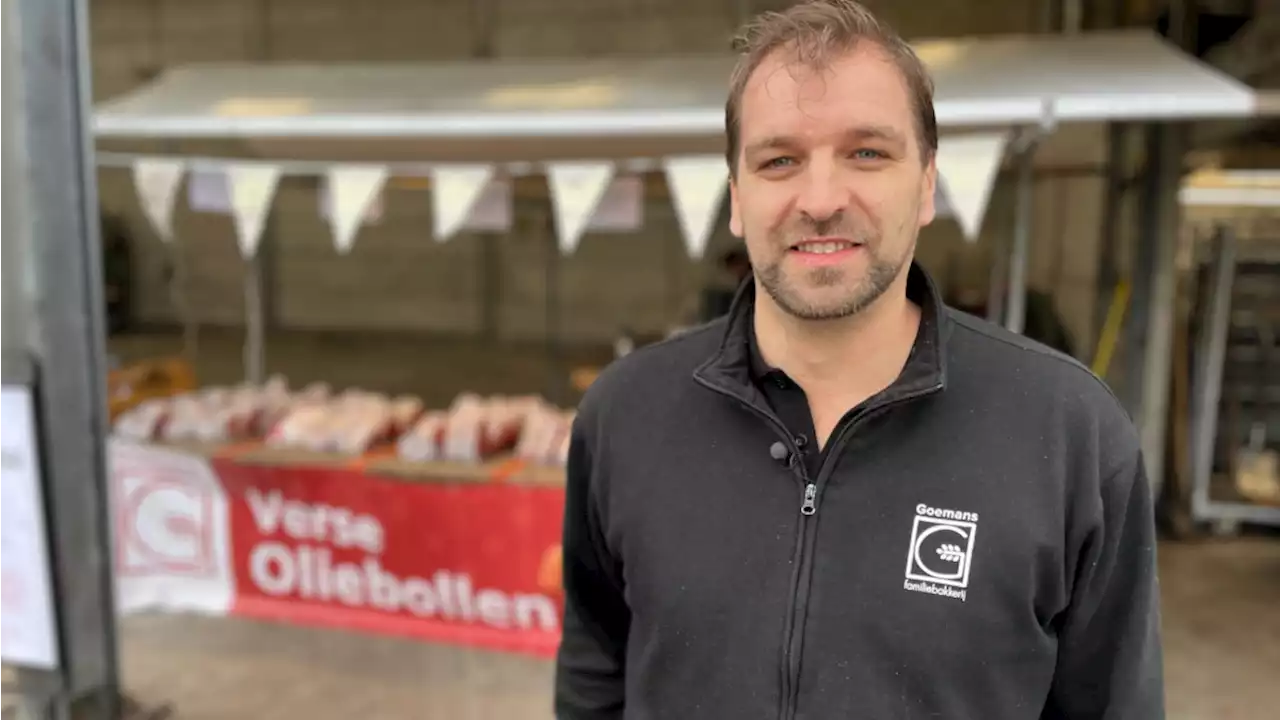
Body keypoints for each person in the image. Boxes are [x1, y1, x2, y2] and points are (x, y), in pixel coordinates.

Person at [553, 1, 1164, 718]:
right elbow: (596, 669)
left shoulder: (1071, 436)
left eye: (867, 153)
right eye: (779, 160)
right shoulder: (627, 415)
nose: (819, 199)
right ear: (737, 198)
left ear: (928, 182)